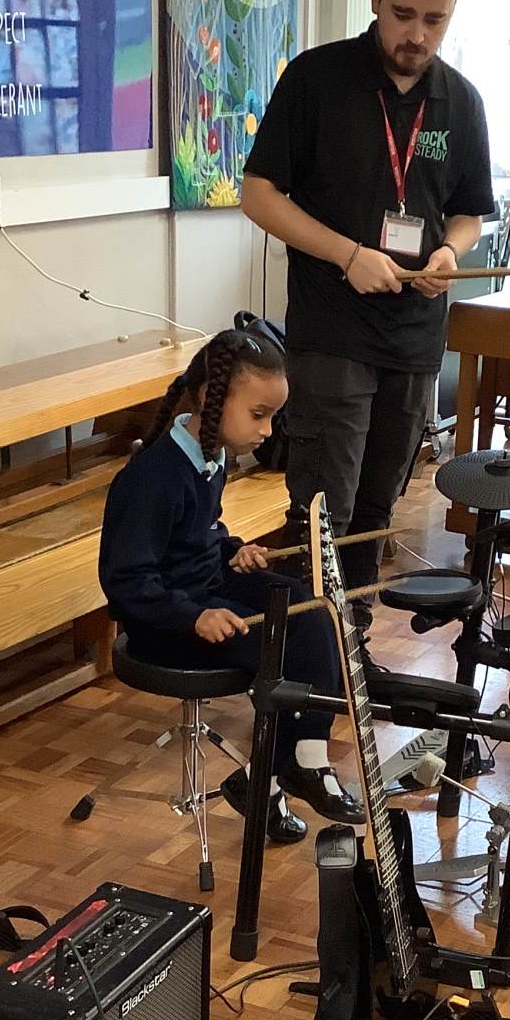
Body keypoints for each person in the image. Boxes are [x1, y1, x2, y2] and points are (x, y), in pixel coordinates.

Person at [242, 0, 494, 608]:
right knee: (326, 512)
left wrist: (450, 252)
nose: (417, 35)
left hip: (414, 339)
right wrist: (347, 254)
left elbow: (468, 213)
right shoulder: (317, 79)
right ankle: (311, 656)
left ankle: (348, 648)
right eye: (403, 15)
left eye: (434, 20)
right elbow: (258, 195)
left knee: (377, 512)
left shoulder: (461, 102)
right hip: (333, 331)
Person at [98, 330, 365, 840]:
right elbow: (125, 580)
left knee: (311, 611)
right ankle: (268, 780)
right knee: (276, 646)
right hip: (162, 621)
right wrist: (192, 616)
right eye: (259, 414)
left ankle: (299, 761)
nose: (267, 430)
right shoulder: (151, 478)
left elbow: (199, 534)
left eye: (273, 417)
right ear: (210, 397)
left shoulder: (211, 457)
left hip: (205, 588)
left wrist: (231, 548)